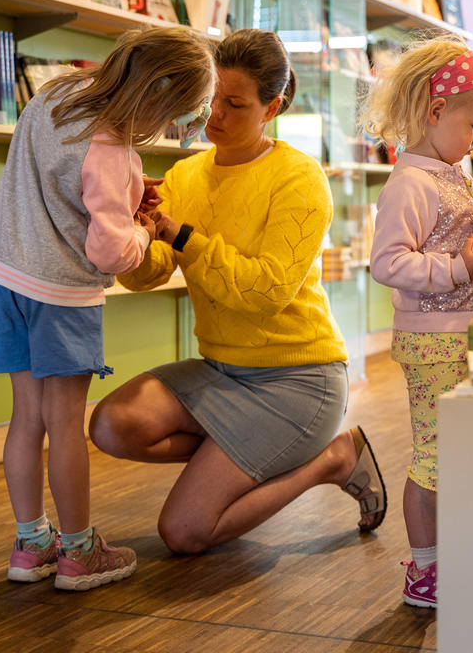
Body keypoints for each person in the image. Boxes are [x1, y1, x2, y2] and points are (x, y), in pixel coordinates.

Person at [87, 28, 388, 559]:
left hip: (299, 380)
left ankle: (332, 460)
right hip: (221, 370)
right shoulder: (186, 172)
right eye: (211, 101)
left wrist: (179, 233)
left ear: (272, 106)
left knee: (184, 533)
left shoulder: (299, 177)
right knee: (112, 425)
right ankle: (241, 452)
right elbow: (145, 274)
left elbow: (266, 292)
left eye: (235, 104)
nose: (215, 117)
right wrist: (134, 226)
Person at [0, 26, 216, 591]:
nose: (164, 128)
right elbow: (110, 252)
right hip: (62, 297)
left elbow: (61, 182)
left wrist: (125, 194)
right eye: (172, 115)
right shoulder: (112, 150)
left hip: (7, 281)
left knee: (25, 420)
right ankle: (79, 552)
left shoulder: (56, 93)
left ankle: (32, 547)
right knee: (66, 427)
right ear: (156, 96)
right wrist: (144, 230)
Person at [362, 38, 473, 610]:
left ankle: (457, 552)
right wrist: (459, 268)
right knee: (433, 455)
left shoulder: (455, 175)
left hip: (467, 335)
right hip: (433, 342)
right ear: (436, 112)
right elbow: (388, 263)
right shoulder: (412, 182)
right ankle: (425, 570)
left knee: (459, 449)